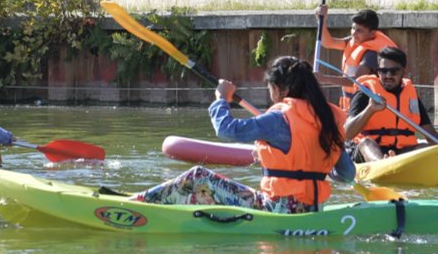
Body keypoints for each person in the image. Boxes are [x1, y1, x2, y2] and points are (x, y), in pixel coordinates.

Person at [135, 56, 355, 213]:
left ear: (281, 90)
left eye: (270, 88)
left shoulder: (279, 118)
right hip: (313, 209)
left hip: (277, 209)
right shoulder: (329, 120)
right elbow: (346, 174)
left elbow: (226, 130)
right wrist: (315, 169)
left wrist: (221, 98)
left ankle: (138, 205)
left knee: (198, 176)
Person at [344, 46, 438, 163]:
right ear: (378, 71)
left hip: (402, 152)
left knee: (428, 149)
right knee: (367, 143)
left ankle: (392, 162)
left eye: (394, 71)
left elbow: (430, 133)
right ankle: (382, 164)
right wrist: (370, 110)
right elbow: (347, 133)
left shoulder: (411, 94)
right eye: (383, 71)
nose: (388, 76)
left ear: (403, 71)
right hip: (369, 153)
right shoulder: (365, 92)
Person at [314, 6, 398, 111]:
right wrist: (322, 21)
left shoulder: (371, 53)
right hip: (352, 104)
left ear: (372, 33)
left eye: (359, 30)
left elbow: (356, 81)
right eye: (353, 28)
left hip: (365, 105)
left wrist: (325, 78)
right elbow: (328, 43)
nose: (354, 33)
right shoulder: (354, 41)